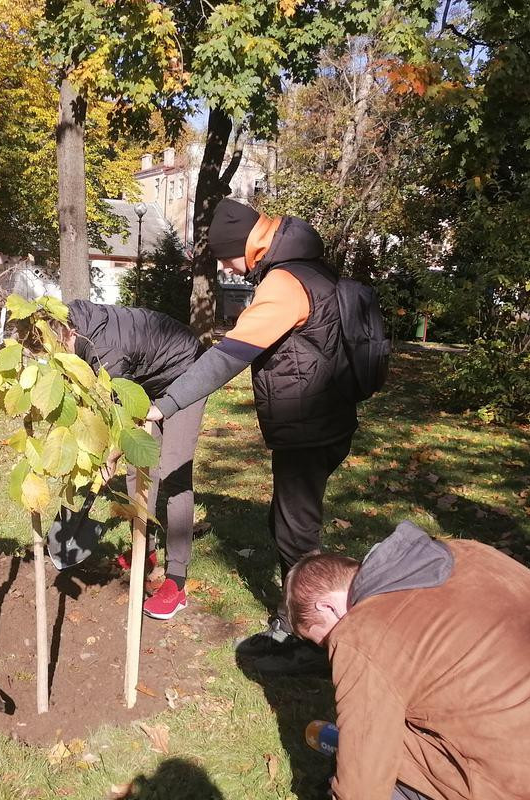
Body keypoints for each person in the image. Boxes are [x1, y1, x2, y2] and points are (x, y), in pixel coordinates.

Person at [285, 522, 530, 800]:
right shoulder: (471, 555)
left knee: (374, 751)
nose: (329, 651)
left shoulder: (361, 632)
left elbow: (362, 784)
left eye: (322, 640)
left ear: (329, 607)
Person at [146, 198, 357, 671]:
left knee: (296, 534)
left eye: (224, 257)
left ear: (245, 245)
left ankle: (311, 639)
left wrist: (165, 405)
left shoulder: (284, 283)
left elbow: (227, 357)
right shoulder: (310, 267)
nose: (224, 266)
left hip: (309, 425)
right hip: (328, 418)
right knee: (292, 524)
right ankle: (296, 621)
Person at [56, 300, 207, 619]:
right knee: (137, 474)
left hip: (186, 372)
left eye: (60, 349)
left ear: (71, 333)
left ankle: (176, 582)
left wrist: (110, 455)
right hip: (148, 377)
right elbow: (111, 408)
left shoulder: (105, 351)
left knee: (173, 473)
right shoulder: (73, 325)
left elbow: (125, 421)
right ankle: (145, 551)